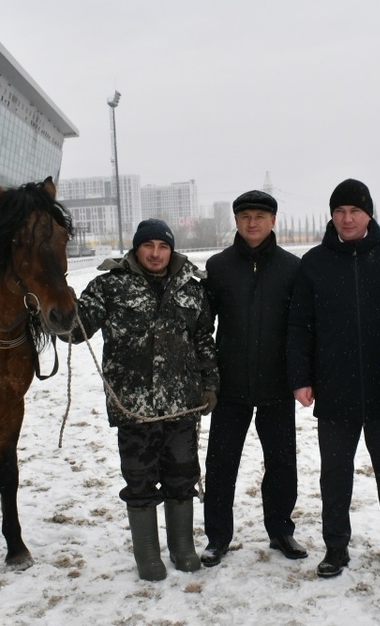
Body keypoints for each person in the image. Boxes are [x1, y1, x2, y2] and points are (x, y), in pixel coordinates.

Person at [68, 218, 220, 581]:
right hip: (133, 406)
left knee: (182, 476)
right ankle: (148, 553)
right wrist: (58, 302)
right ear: (136, 248)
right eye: (148, 246)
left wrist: (210, 383)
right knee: (139, 479)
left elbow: (203, 340)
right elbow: (75, 330)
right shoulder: (109, 286)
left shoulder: (192, 287)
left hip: (182, 404)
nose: (155, 253)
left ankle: (182, 546)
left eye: (163, 246)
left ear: (171, 249)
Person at [287, 178, 380, 579]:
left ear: (369, 215)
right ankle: (335, 546)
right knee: (335, 472)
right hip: (335, 387)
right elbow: (300, 325)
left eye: (355, 211)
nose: (347, 219)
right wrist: (301, 377)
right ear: (331, 215)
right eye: (340, 211)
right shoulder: (314, 262)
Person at [200, 190, 306, 566]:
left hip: (276, 386)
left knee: (281, 463)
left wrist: (301, 376)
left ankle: (281, 530)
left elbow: (301, 328)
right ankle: (217, 537)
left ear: (273, 221)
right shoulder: (218, 266)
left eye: (261, 216)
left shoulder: (293, 269)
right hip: (230, 387)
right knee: (221, 464)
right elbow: (201, 326)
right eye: (245, 216)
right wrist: (206, 377)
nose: (253, 223)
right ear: (236, 221)